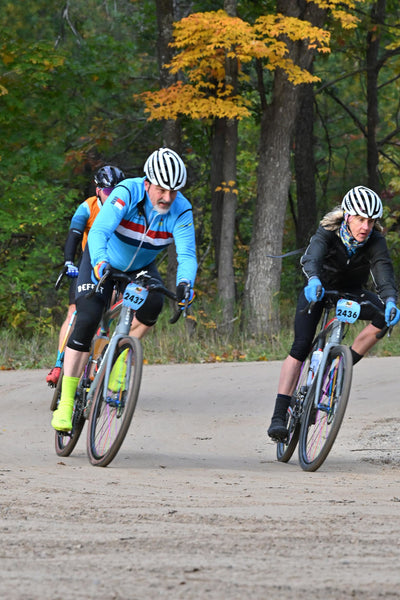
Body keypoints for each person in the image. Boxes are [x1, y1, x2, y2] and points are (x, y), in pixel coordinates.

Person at [51, 148, 197, 432]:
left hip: (140, 268)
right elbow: (99, 232)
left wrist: (185, 284)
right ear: (147, 182)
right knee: (88, 317)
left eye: (174, 191)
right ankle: (66, 402)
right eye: (162, 189)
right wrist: (101, 263)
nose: (168, 197)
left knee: (154, 304)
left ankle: (119, 358)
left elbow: (187, 256)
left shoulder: (182, 210)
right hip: (101, 259)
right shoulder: (127, 193)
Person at [267, 185, 400, 441]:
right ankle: (278, 416)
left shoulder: (375, 240)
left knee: (384, 315)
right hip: (319, 289)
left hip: (351, 292)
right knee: (301, 346)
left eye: (371, 221)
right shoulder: (328, 232)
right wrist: (314, 279)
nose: (366, 227)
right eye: (361, 219)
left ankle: (340, 365)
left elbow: (383, 271)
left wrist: (392, 300)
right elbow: (312, 257)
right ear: (348, 216)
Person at [46, 165, 126, 387]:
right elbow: (74, 234)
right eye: (109, 191)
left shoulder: (124, 208)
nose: (113, 196)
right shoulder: (87, 206)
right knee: (75, 311)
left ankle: (93, 368)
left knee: (106, 318)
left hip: (115, 269)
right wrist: (69, 262)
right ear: (98, 189)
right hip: (88, 267)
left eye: (117, 190)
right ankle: (60, 364)